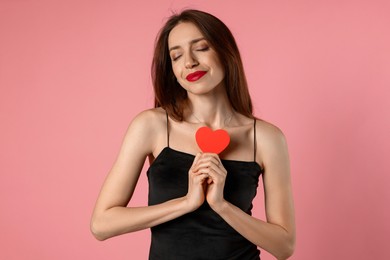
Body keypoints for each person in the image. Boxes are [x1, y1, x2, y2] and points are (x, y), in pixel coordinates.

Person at [90, 9, 295, 260]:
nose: (189, 62)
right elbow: (101, 224)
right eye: (177, 55)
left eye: (201, 48)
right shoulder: (152, 125)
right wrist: (186, 202)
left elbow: (284, 246)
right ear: (172, 69)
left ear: (225, 52)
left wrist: (222, 206)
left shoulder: (266, 138)